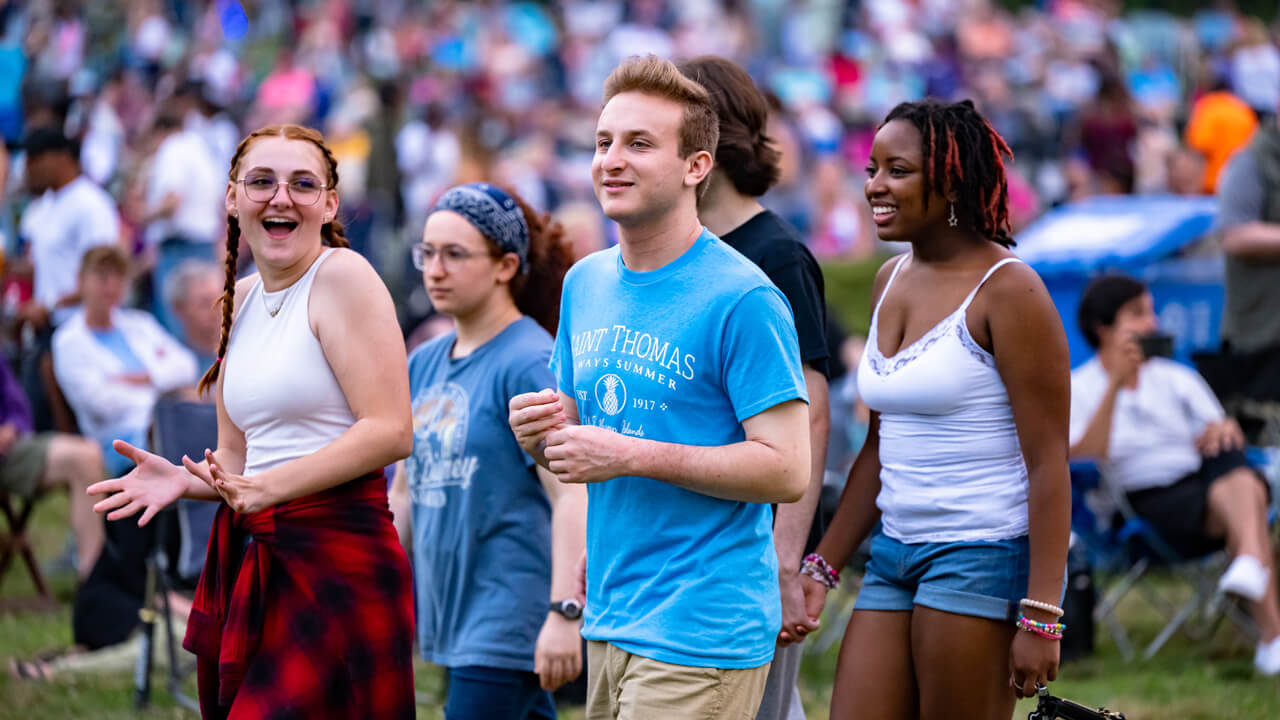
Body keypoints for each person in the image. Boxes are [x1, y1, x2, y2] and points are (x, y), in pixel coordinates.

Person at [508, 55, 811, 720]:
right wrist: (540, 437)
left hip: (702, 628)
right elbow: (581, 449)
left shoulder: (744, 297)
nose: (611, 160)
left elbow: (787, 469)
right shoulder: (585, 283)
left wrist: (629, 455)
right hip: (612, 616)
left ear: (696, 166)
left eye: (639, 144)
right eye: (603, 142)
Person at [84, 124, 416, 718]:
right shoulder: (237, 300)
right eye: (261, 182)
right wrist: (189, 482)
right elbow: (240, 464)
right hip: (256, 557)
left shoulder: (342, 276)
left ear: (330, 203)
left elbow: (391, 430)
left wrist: (269, 489)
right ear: (233, 198)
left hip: (338, 560)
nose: (280, 197)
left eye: (302, 184)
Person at [801, 99, 1071, 719]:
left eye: (896, 170)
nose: (874, 186)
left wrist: (1043, 614)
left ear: (949, 181)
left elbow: (1049, 463)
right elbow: (878, 446)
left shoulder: (1010, 290)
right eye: (871, 169)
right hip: (894, 552)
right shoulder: (887, 280)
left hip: (980, 553)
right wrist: (823, 564)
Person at [387, 182, 586, 719]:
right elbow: (402, 491)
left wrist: (564, 611)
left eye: (455, 254)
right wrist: (377, 593)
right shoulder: (422, 362)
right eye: (426, 254)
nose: (435, 269)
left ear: (504, 266)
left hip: (509, 613)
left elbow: (574, 492)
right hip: (450, 612)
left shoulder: (529, 361)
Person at [678, 55, 830, 720]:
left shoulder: (776, 255)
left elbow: (813, 416)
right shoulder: (678, 251)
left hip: (756, 545)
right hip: (691, 540)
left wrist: (785, 557)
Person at [1069, 274, 1280, 675]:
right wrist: (1114, 386)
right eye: (1138, 314)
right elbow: (1085, 453)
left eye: (1151, 311)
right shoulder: (1080, 386)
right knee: (1248, 491)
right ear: (1103, 326)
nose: (1152, 323)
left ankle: (1253, 575)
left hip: (1208, 482)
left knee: (1233, 460)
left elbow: (1221, 430)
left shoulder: (1175, 376)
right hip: (1149, 502)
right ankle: (1269, 628)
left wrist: (1224, 430)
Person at [52, 246, 198, 477]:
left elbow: (187, 365)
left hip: (171, 423)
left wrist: (146, 377)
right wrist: (163, 395)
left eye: (118, 276)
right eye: (102, 277)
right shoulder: (68, 341)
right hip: (121, 445)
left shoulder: (139, 323)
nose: (111, 285)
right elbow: (99, 402)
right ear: (81, 280)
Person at [0, 349, 104, 581]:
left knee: (86, 456)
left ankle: (94, 581)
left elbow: (19, 409)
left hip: (8, 452)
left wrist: (12, 428)